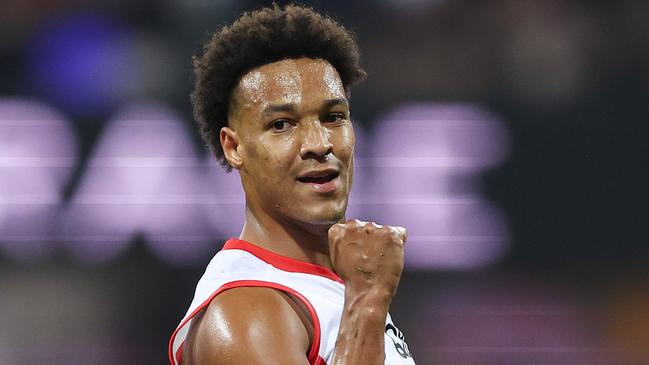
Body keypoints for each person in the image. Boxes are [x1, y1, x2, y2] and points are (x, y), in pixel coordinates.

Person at [169, 4, 415, 365]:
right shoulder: (246, 312)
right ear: (234, 147)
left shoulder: (325, 287)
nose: (319, 143)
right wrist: (367, 300)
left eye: (333, 117)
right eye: (282, 124)